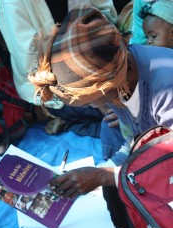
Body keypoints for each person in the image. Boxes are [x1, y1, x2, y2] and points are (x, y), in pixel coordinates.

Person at [29, 5, 173, 203]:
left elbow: (166, 164)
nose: (95, 107)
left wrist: (104, 177)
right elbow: (138, 141)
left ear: (107, 85)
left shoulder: (166, 87)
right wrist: (103, 170)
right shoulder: (120, 74)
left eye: (93, 101)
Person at [0, 0, 125, 159]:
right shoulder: (12, 4)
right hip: (55, 86)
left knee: (128, 100)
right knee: (116, 116)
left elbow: (107, 15)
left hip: (99, 67)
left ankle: (78, 121)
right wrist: (94, 93)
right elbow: (33, 65)